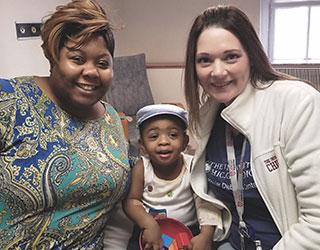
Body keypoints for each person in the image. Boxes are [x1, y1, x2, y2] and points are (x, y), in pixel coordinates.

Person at [183, 5, 320, 250]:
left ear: (251, 56)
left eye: (231, 57)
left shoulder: (297, 102)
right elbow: (209, 195)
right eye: (204, 60)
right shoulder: (209, 114)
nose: (217, 72)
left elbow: (317, 223)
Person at [0, 0, 130, 248]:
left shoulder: (112, 118)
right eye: (77, 58)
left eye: (102, 63)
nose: (91, 71)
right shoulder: (10, 99)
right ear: (54, 57)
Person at [123, 103, 214, 250]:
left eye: (173, 135)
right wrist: (148, 223)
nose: (164, 141)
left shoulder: (192, 166)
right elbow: (131, 201)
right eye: (154, 136)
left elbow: (207, 203)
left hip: (188, 230)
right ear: (142, 145)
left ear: (185, 142)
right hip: (150, 229)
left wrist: (205, 236)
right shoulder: (142, 167)